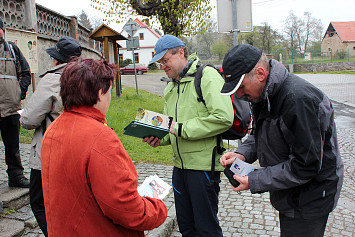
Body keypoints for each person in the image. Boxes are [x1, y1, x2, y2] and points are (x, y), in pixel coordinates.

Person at [219, 44, 344, 237]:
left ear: (260, 74)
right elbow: (259, 133)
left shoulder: (297, 100)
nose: (239, 95)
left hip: (311, 196)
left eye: (241, 87)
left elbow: (306, 165)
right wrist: (241, 154)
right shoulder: (264, 94)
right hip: (291, 191)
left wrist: (254, 180)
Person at [40, 58, 167, 236]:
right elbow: (127, 210)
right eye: (109, 91)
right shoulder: (100, 137)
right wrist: (157, 208)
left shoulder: (54, 128)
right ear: (100, 93)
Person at [144, 35, 233, 236]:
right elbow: (170, 126)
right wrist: (159, 138)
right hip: (180, 168)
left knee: (206, 229)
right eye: (160, 63)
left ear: (181, 52)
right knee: (186, 226)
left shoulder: (207, 76)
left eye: (165, 60)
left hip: (202, 168)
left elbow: (224, 117)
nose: (162, 66)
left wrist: (181, 128)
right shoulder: (171, 86)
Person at [20, 36, 82, 237]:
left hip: (50, 151)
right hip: (77, 148)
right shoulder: (85, 78)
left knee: (39, 202)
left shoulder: (53, 79)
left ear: (57, 60)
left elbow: (28, 119)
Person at [0, 16, 31, 188]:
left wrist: (19, 93)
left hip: (11, 108)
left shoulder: (12, 49)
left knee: (13, 146)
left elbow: (25, 73)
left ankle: (16, 176)